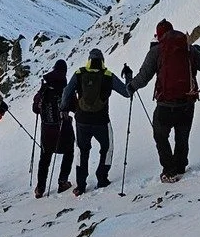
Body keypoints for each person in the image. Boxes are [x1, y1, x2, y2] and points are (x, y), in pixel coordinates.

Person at [128, 19, 200, 183]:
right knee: (182, 135)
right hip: (187, 101)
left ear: (158, 36)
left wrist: (131, 86)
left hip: (165, 104)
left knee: (160, 136)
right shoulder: (188, 48)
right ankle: (180, 166)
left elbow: (144, 78)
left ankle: (169, 170)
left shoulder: (156, 51)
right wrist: (199, 51)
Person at [63, 47, 133, 194]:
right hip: (101, 120)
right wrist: (128, 76)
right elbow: (127, 93)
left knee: (82, 151)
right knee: (107, 148)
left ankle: (80, 185)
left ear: (89, 60)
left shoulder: (79, 73)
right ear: (102, 61)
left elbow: (67, 92)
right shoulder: (108, 75)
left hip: (81, 120)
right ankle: (102, 178)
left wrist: (64, 108)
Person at [31, 59, 76, 196]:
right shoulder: (65, 89)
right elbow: (75, 106)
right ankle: (62, 182)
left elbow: (35, 108)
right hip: (64, 129)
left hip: (47, 130)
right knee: (69, 152)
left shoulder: (44, 88)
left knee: (44, 158)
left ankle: (40, 188)